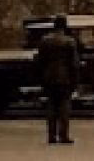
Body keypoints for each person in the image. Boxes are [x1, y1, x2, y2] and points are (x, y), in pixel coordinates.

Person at [35, 14, 80, 145]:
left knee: (51, 106)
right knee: (64, 107)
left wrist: (41, 77)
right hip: (65, 78)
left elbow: (39, 61)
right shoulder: (69, 41)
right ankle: (63, 134)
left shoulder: (45, 40)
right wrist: (75, 81)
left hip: (48, 77)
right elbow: (74, 63)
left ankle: (51, 135)